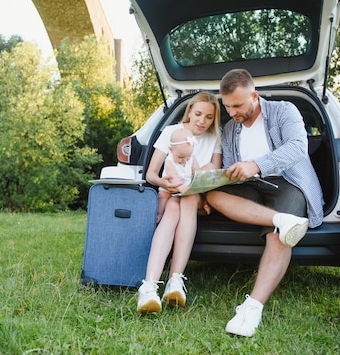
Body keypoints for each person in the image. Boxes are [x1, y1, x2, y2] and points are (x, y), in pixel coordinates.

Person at [205, 68, 324, 337]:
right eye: (227, 106)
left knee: (279, 236)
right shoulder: (229, 128)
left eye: (237, 105)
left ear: (254, 96)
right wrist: (216, 179)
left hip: (287, 181)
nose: (232, 112)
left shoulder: (284, 110)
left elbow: (297, 148)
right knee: (213, 195)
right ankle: (279, 219)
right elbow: (228, 168)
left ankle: (253, 307)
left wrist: (256, 165)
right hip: (248, 186)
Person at [137, 92, 222, 314]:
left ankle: (166, 282)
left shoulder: (215, 136)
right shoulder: (170, 133)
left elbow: (215, 169)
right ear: (189, 111)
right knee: (174, 208)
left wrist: (200, 176)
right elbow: (151, 175)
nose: (202, 121)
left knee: (188, 199)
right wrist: (164, 182)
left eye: (209, 117)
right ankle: (155, 285)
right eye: (198, 114)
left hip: (197, 196)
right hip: (173, 194)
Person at [156, 127, 201, 223]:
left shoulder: (191, 158)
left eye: (187, 156)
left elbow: (196, 171)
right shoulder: (169, 161)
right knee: (162, 198)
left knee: (184, 203)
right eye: (180, 157)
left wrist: (196, 178)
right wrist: (183, 189)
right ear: (171, 150)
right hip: (169, 188)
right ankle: (159, 214)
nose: (184, 160)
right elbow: (173, 178)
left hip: (185, 189)